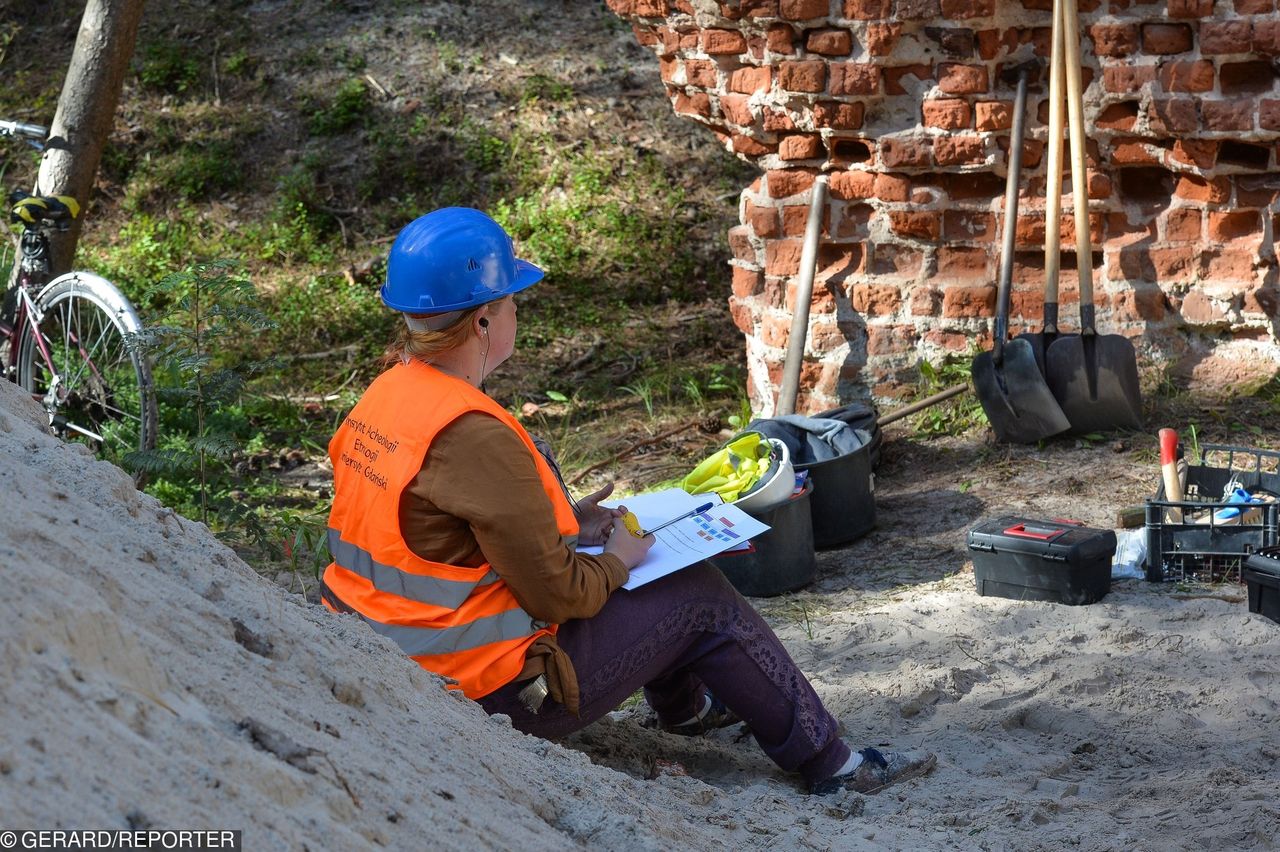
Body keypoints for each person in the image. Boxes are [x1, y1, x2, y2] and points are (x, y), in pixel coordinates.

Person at [321, 207, 936, 795]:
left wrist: (568, 523)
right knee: (696, 595)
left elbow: (439, 540)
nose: (515, 314)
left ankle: (689, 709)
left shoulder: (389, 396)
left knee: (646, 569)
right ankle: (834, 764)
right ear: (482, 320)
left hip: (393, 658)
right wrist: (617, 559)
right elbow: (560, 595)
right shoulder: (474, 434)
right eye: (510, 300)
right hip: (485, 691)